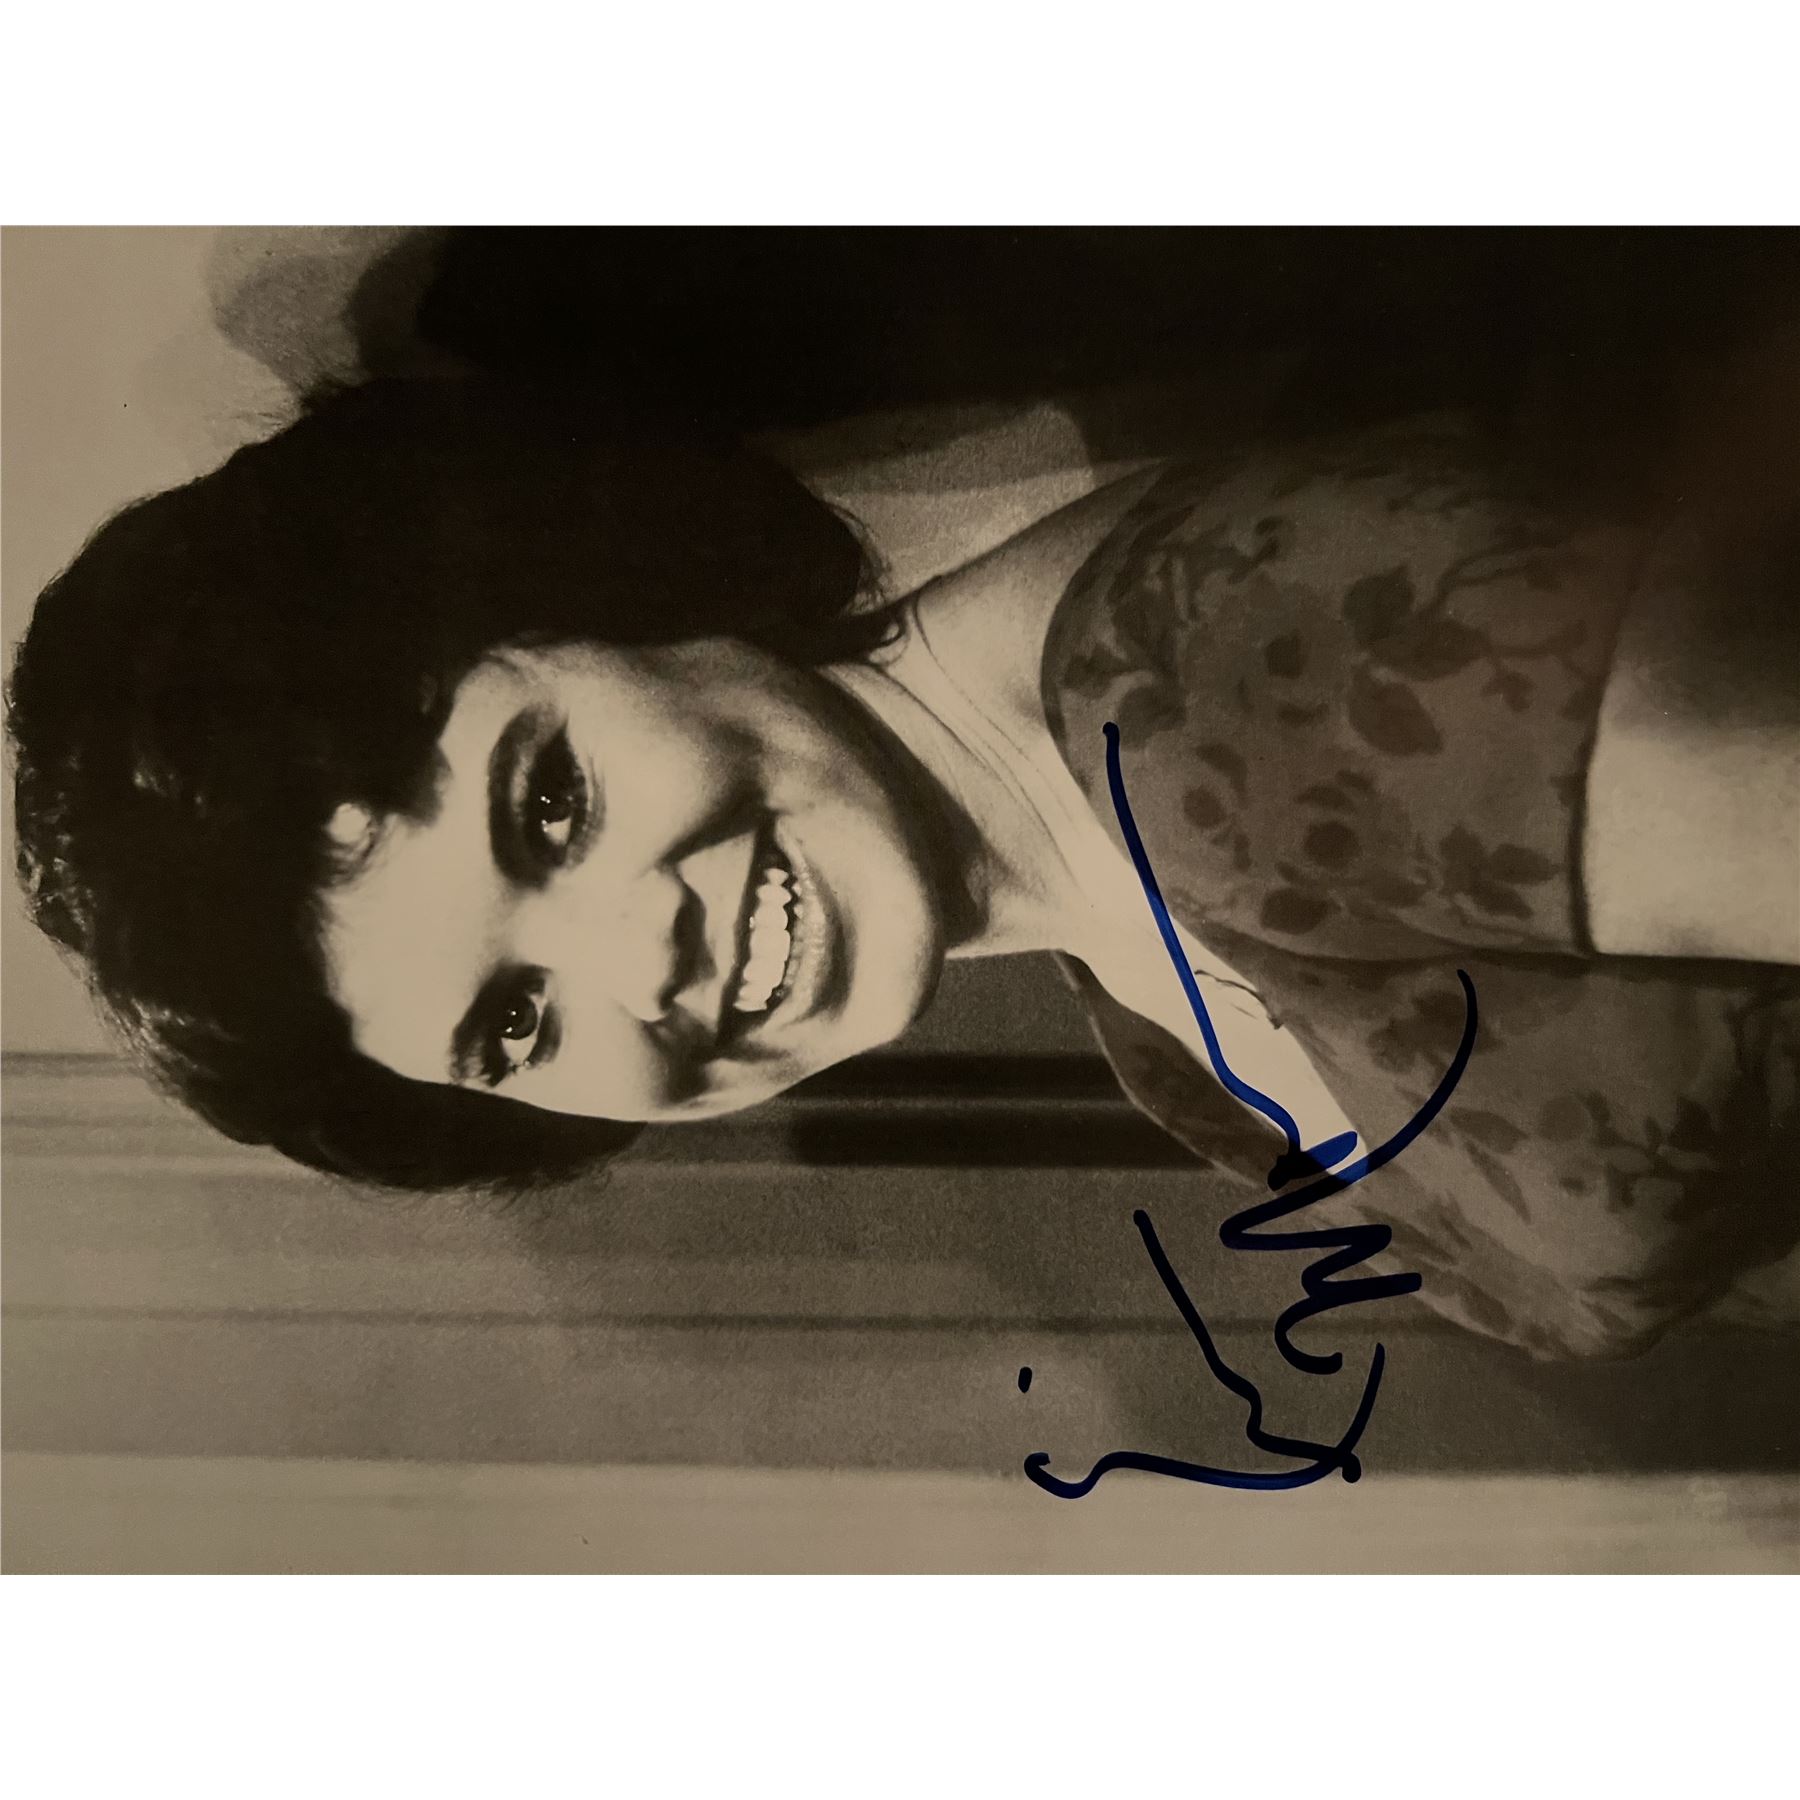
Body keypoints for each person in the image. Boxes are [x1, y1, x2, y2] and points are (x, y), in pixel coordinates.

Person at [10, 373, 1798, 1364]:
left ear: (607, 584)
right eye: (519, 1021)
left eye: (548, 806)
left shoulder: (1242, 678)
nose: (644, 972)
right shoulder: (1147, 1020)